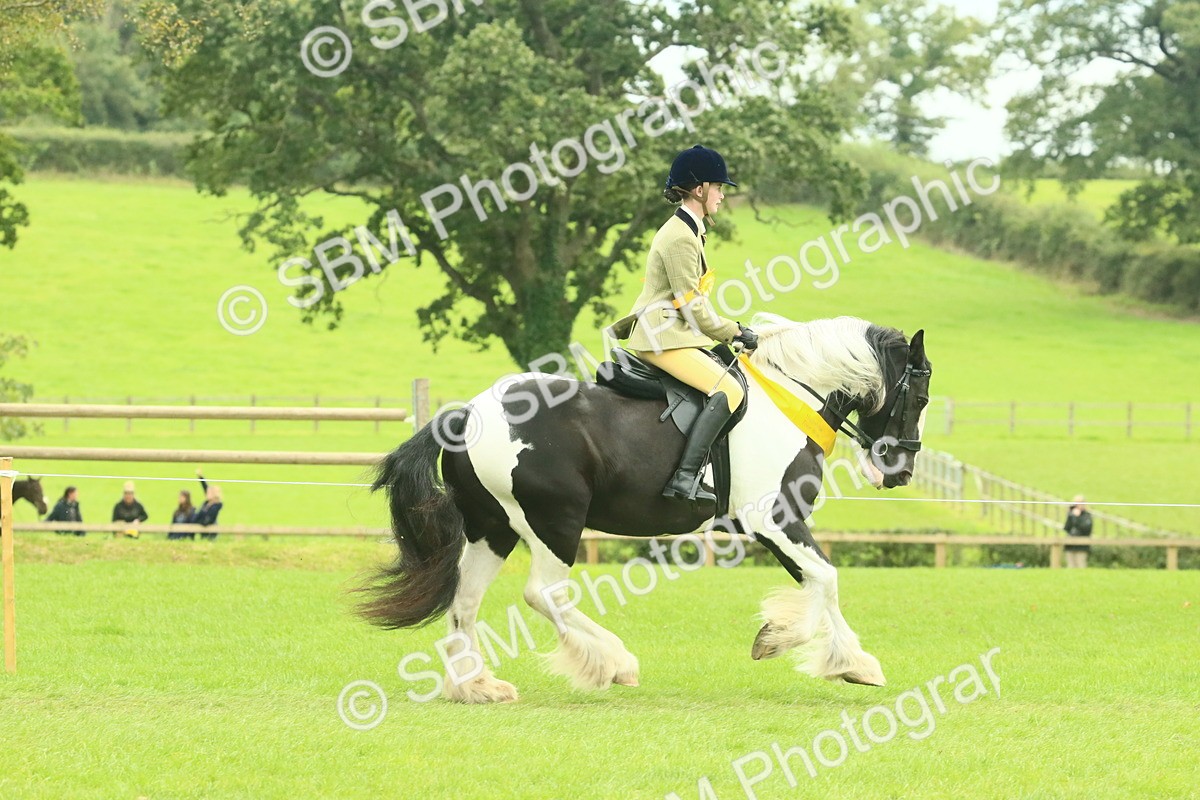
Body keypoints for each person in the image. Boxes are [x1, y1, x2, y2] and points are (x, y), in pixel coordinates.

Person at [609, 144, 758, 504]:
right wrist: (733, 331)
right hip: (662, 337)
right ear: (699, 189)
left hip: (673, 332)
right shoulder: (679, 236)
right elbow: (690, 305)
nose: (723, 195)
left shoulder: (691, 231)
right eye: (719, 187)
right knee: (729, 390)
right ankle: (685, 477)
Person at [192, 469, 223, 540]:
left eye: (209, 493)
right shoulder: (206, 503)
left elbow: (208, 520)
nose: (206, 494)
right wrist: (200, 477)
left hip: (210, 531)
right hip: (203, 530)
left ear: (213, 494)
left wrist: (198, 522)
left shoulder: (216, 506)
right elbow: (205, 487)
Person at [1064, 494, 1093, 568]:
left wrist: (1077, 518)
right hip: (1070, 545)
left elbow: (1086, 529)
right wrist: (1070, 515)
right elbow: (1067, 528)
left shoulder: (1087, 515)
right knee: (1070, 566)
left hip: (1081, 546)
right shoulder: (1071, 514)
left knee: (1081, 565)